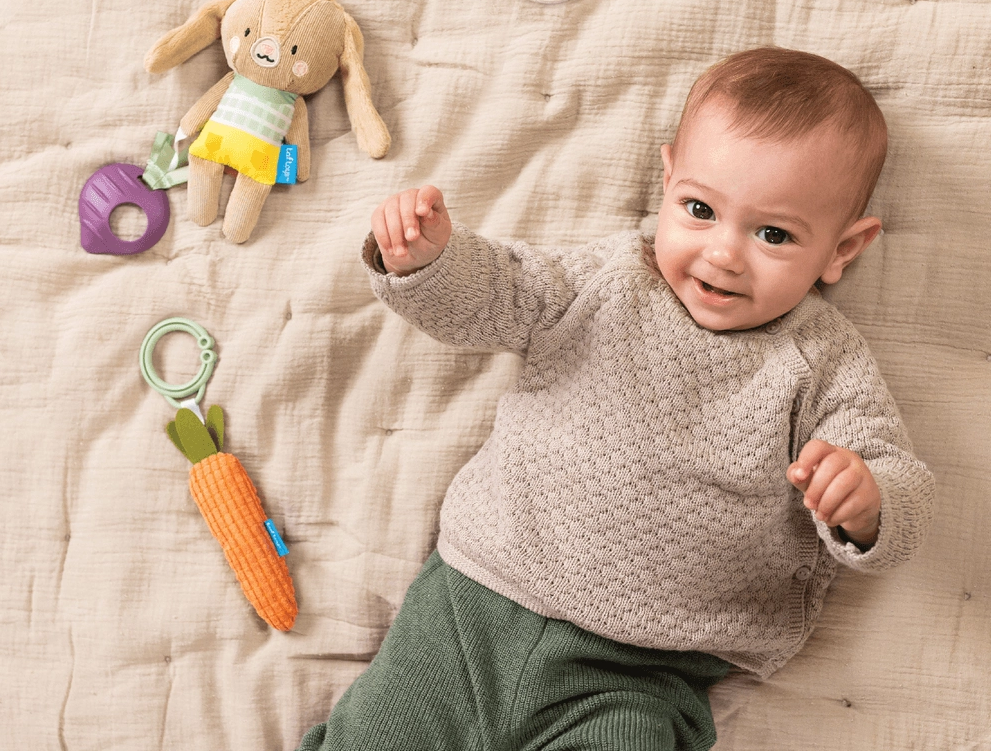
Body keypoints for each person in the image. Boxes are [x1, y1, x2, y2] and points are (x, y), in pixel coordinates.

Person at [297, 48, 934, 751]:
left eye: (773, 234)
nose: (723, 253)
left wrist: (869, 502)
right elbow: (496, 295)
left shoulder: (824, 363)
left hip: (639, 672)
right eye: (699, 209)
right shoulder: (605, 279)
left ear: (844, 249)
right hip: (469, 608)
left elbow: (900, 481)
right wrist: (428, 260)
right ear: (666, 185)